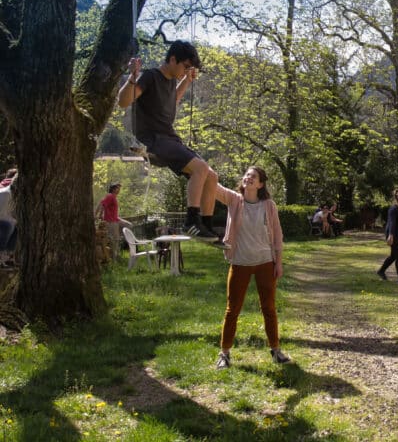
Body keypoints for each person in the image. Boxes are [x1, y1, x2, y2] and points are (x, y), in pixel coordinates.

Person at [118, 41, 220, 243]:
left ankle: (205, 226)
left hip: (169, 138)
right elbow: (123, 102)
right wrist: (132, 76)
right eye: (185, 66)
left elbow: (172, 101)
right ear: (172, 59)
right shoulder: (150, 76)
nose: (186, 71)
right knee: (201, 168)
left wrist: (187, 81)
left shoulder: (171, 81)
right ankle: (191, 222)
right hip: (153, 140)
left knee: (211, 176)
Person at [214, 166, 291, 369]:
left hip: (266, 262)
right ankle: (225, 353)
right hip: (240, 262)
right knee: (232, 310)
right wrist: (198, 169)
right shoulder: (233, 199)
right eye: (247, 175)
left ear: (260, 184)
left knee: (269, 308)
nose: (248, 177)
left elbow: (277, 235)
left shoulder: (269, 205)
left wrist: (279, 262)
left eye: (253, 176)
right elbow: (212, 187)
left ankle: (276, 350)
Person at [377, 188, 398, 285]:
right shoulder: (393, 209)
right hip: (392, 234)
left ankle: (381, 271)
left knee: (393, 256)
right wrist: (390, 235)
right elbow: (392, 222)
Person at [95, 183, 133, 247]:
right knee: (115, 240)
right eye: (117, 188)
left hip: (116, 219)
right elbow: (102, 203)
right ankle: (115, 255)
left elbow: (104, 204)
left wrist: (101, 214)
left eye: (119, 188)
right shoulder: (110, 196)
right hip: (111, 221)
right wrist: (96, 214)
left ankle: (117, 235)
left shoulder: (113, 197)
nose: (119, 190)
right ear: (113, 189)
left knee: (129, 225)